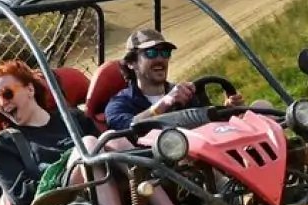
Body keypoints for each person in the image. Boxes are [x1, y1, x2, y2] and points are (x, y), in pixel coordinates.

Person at [0, 59, 183, 205]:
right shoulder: (7, 142)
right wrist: (58, 170)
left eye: (7, 93)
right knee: (90, 143)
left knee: (111, 137)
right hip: (53, 201)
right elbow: (21, 196)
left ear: (29, 89)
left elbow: (106, 150)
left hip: (99, 179)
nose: (3, 104)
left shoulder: (71, 118)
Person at [104, 28, 272, 130]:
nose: (160, 59)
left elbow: (208, 121)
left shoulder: (184, 93)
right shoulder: (120, 103)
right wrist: (165, 103)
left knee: (262, 108)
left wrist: (228, 110)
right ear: (131, 63)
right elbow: (130, 126)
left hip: (208, 154)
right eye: (151, 53)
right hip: (165, 171)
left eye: (165, 53)